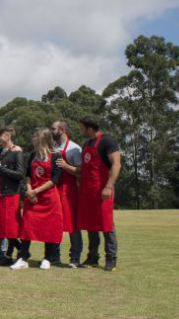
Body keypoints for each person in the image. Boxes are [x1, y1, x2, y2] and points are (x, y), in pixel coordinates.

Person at [11, 128, 64, 270]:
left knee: (50, 228)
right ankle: (23, 258)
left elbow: (55, 179)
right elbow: (28, 174)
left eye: (35, 136)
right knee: (27, 227)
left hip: (49, 198)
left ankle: (47, 258)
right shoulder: (33, 155)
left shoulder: (56, 156)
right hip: (32, 197)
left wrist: (36, 191)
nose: (32, 138)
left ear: (42, 138)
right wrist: (29, 190)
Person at [77, 116, 121, 272]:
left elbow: (116, 163)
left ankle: (111, 259)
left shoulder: (107, 141)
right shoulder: (86, 144)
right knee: (91, 225)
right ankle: (93, 257)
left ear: (89, 128)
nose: (80, 130)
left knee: (107, 224)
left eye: (81, 127)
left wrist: (109, 186)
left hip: (103, 190)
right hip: (88, 191)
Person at [50, 120, 84, 268]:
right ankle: (54, 257)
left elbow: (81, 172)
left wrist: (65, 166)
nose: (51, 131)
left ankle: (74, 258)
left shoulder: (75, 148)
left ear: (62, 130)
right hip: (54, 189)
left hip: (69, 191)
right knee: (53, 223)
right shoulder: (52, 148)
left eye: (53, 129)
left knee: (73, 226)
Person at [0, 126, 24, 265]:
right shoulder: (1, 152)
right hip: (1, 193)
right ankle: (8, 255)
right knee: (3, 228)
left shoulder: (17, 151)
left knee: (11, 228)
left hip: (12, 193)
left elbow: (20, 175)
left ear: (9, 136)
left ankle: (22, 252)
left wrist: (1, 169)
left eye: (1, 135)